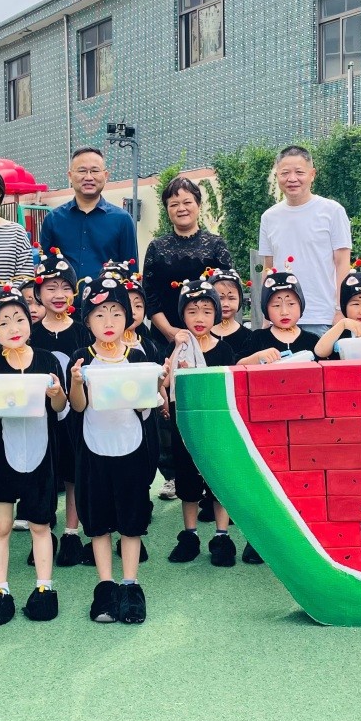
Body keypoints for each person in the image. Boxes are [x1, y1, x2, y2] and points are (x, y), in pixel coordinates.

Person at [0, 284, 67, 625]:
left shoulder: (47, 361)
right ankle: (0, 591)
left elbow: (60, 408)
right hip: (0, 457)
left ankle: (44, 588)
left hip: (41, 456)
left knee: (41, 524)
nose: (13, 328)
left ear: (30, 321)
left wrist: (56, 392)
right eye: (3, 322)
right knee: (1, 525)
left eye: (19, 319)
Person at [68, 271, 165, 624]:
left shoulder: (137, 358)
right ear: (87, 320)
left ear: (128, 317)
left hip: (131, 448)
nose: (108, 322)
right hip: (94, 449)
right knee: (98, 522)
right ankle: (105, 586)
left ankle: (130, 585)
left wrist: (159, 382)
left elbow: (145, 406)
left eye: (116, 313)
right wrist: (76, 381)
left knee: (131, 521)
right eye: (99, 314)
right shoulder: (82, 357)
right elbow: (78, 406)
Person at [163, 277, 238, 566]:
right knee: (187, 482)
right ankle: (190, 534)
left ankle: (222, 535)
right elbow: (165, 382)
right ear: (182, 315)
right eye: (192, 311)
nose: (199, 318)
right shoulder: (177, 348)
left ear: (216, 314)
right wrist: (175, 351)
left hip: (216, 427)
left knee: (219, 481)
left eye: (207, 311)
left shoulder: (224, 349)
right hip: (185, 426)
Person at [27, 249, 93, 567]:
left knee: (74, 472)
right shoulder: (30, 334)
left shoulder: (83, 331)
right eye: (51, 287)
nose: (59, 294)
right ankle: (43, 531)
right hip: (40, 417)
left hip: (76, 415)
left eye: (66, 287)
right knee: (43, 472)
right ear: (38, 292)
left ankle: (71, 532)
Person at [257, 146, 352, 337]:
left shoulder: (332, 211)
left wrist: (340, 309)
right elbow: (269, 268)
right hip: (280, 319)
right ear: (277, 175)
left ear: (312, 174)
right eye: (285, 173)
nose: (292, 179)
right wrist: (266, 315)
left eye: (299, 172)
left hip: (322, 317)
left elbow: (342, 263)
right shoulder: (269, 217)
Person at [142, 177, 233, 342]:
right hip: (166, 335)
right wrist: (169, 332)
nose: (181, 209)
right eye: (174, 204)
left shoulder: (216, 245)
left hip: (210, 335)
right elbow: (150, 296)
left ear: (199, 205)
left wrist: (207, 331)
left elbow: (226, 291)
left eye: (187, 202)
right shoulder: (157, 247)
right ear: (167, 209)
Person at [37, 147, 138, 280]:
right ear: (70, 176)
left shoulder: (122, 220)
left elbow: (131, 271)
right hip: (65, 294)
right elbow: (45, 269)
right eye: (82, 171)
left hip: (106, 293)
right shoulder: (53, 219)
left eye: (95, 171)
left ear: (106, 176)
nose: (89, 177)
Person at [240, 264, 321, 364]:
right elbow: (237, 365)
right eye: (276, 305)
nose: (284, 312)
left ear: (301, 304)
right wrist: (257, 358)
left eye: (291, 304)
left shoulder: (312, 340)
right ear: (265, 308)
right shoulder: (257, 338)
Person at [208, 268, 254, 360]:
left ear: (240, 300)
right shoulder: (201, 334)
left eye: (231, 298)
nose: (226, 304)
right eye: (220, 298)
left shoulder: (249, 337)